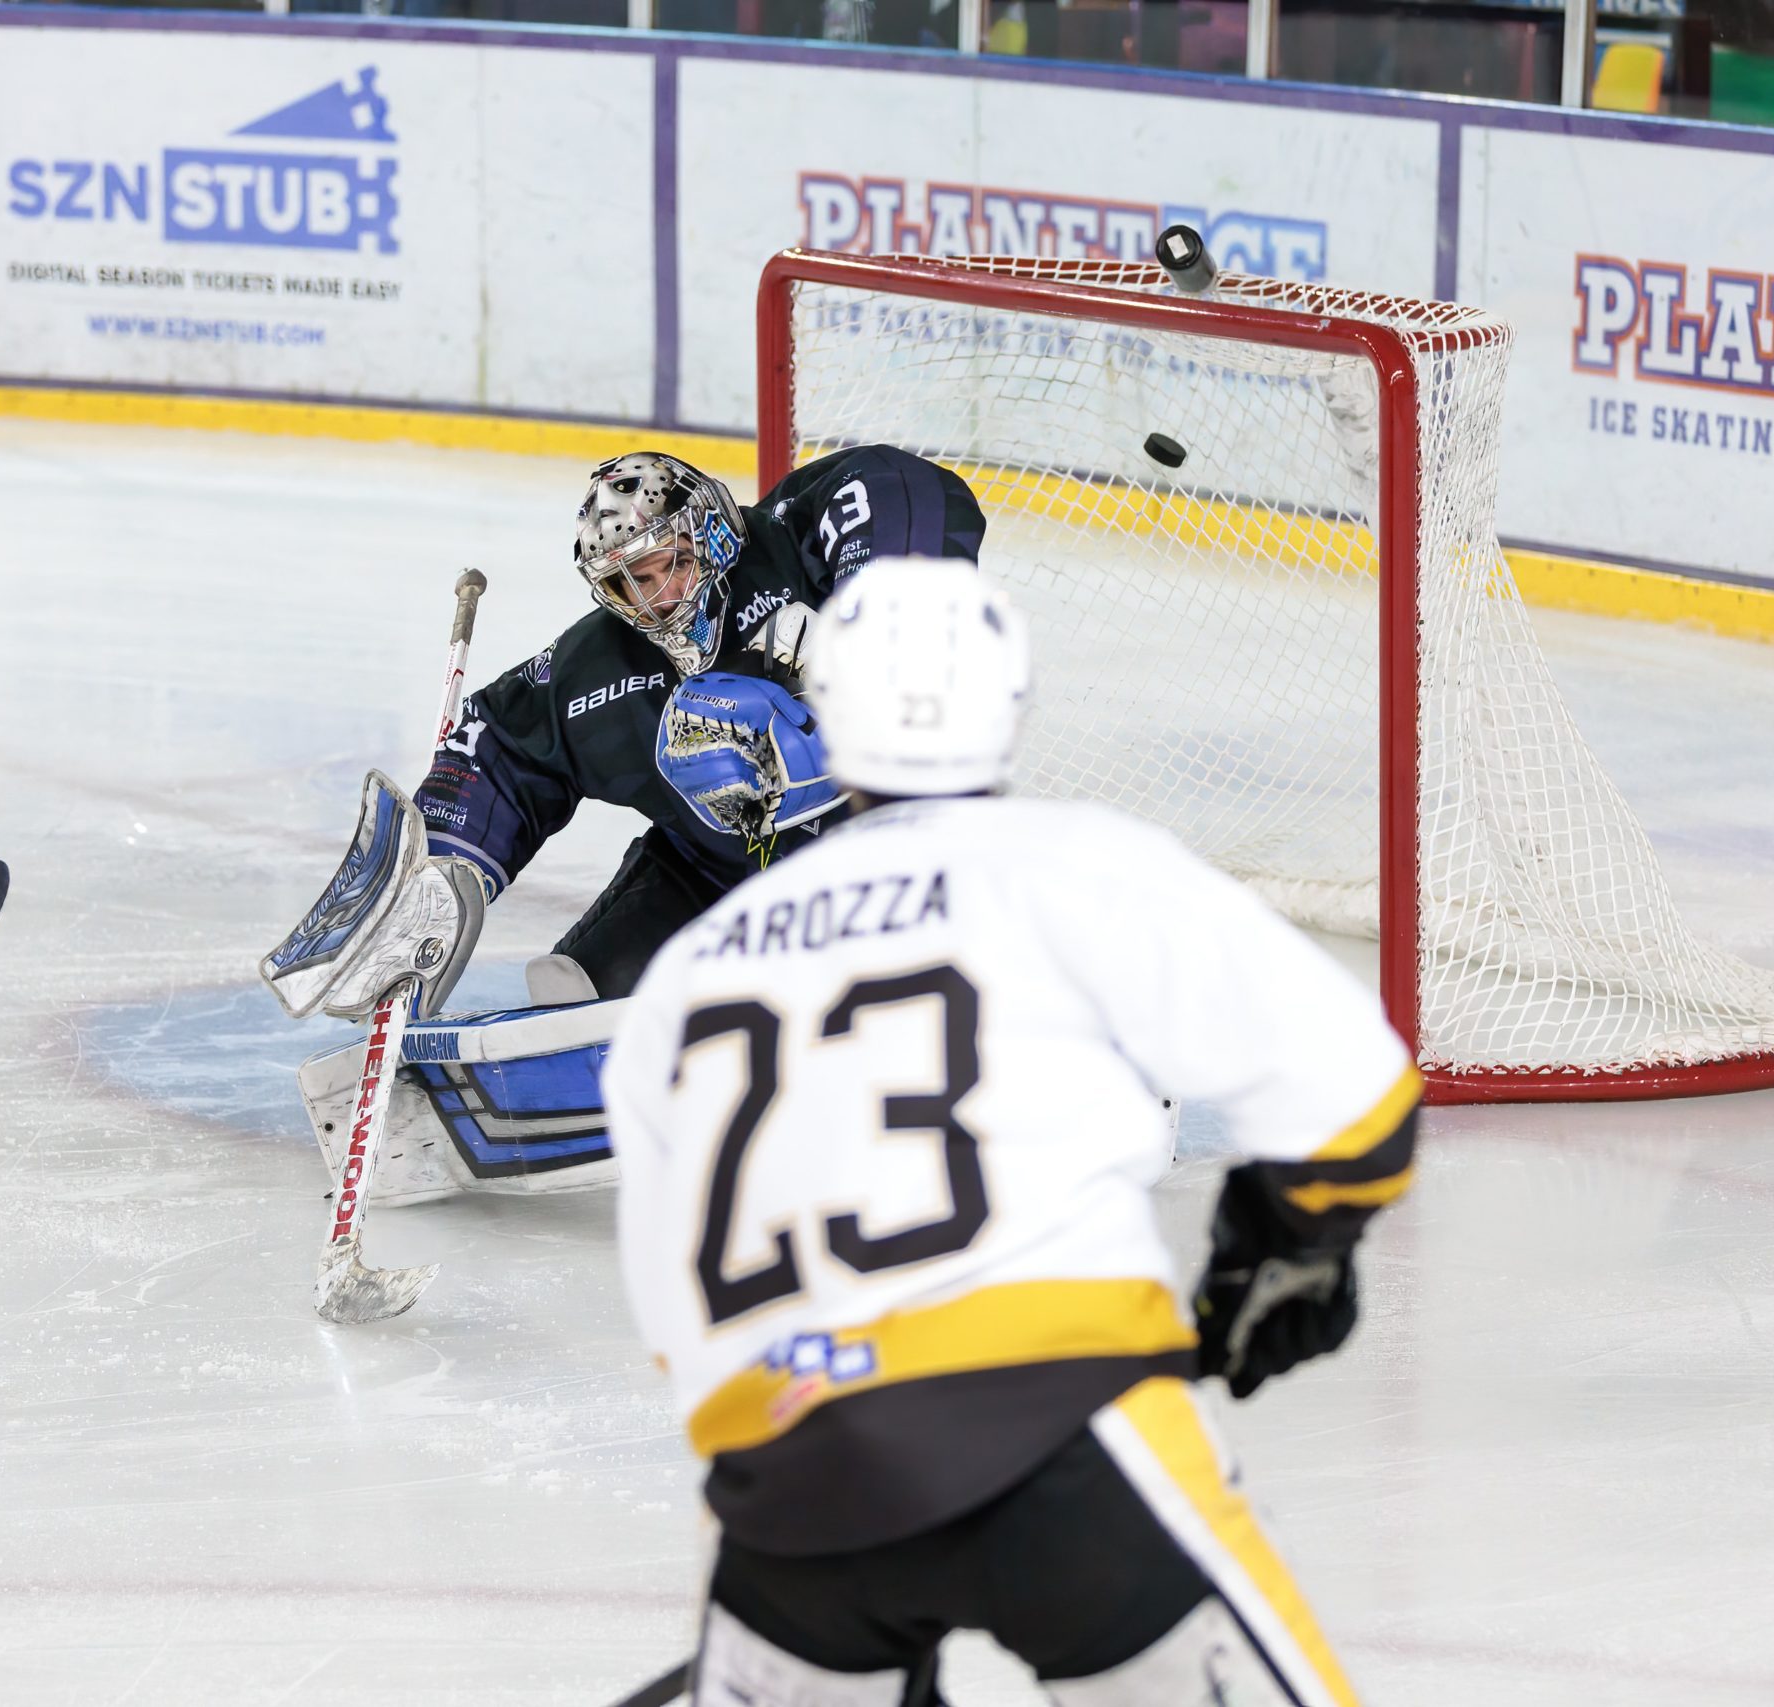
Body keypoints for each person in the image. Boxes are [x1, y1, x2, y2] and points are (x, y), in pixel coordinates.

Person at [603, 557, 1419, 1705]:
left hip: (794, 1486)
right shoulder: (1079, 866)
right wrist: (1285, 1244)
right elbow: (1357, 1099)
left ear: (818, 711)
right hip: (1064, 1437)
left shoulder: (691, 971)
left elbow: (669, 1293)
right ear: (1015, 704)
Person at [414, 446, 985, 1004]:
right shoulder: (606, 664)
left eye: (673, 563)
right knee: (576, 997)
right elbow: (503, 745)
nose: (659, 600)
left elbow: (900, 484)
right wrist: (433, 874)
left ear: (713, 531)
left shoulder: (792, 544)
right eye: (629, 581)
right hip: (712, 875)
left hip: (890, 863)